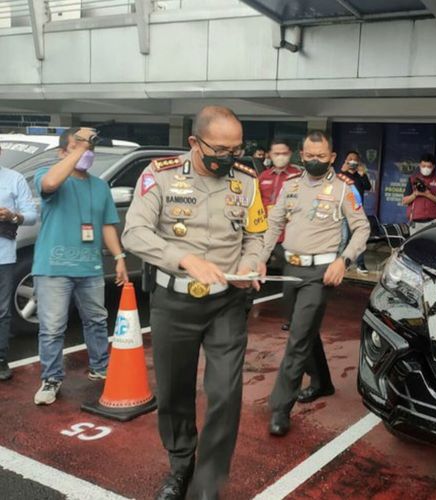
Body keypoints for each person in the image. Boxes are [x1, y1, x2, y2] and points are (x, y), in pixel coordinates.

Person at [122, 106, 267, 500]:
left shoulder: (247, 180)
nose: (229, 158)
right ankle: (181, 464)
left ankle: (208, 482)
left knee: (225, 392)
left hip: (227, 302)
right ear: (194, 142)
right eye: (220, 150)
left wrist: (251, 262)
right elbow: (134, 233)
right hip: (174, 302)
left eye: (236, 150)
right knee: (174, 392)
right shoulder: (160, 175)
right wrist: (184, 259)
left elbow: (255, 235)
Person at [258, 130, 370, 437]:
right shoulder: (291, 185)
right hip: (290, 268)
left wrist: (343, 260)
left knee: (297, 339)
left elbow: (361, 228)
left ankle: (280, 407)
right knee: (303, 329)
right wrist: (261, 257)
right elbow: (274, 223)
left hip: (320, 273)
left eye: (321, 156)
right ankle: (322, 382)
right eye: (309, 156)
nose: (315, 161)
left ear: (332, 157)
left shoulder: (344, 188)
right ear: (302, 156)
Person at [32, 127, 129, 405]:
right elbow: (50, 184)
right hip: (53, 269)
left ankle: (101, 366)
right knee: (52, 327)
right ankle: (51, 378)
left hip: (90, 268)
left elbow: (107, 224)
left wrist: (119, 258)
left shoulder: (100, 186)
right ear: (63, 152)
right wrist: (78, 149)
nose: (87, 151)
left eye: (90, 147)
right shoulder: (48, 175)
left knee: (97, 320)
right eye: (78, 146)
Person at [0, 146, 38, 381]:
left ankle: (1, 359)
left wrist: (12, 216)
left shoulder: (14, 179)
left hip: (3, 256)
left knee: (2, 311)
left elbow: (31, 215)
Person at [258, 138, 301, 331]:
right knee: (252, 270)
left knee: (290, 277)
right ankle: (242, 312)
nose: (280, 157)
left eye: (283, 153)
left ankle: (292, 318)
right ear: (270, 155)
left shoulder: (298, 176)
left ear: (290, 154)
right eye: (276, 153)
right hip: (264, 234)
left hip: (288, 236)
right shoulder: (263, 177)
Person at [339, 151, 372, 275]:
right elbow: (335, 187)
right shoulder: (341, 175)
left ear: (358, 162)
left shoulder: (360, 175)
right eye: (350, 159)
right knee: (344, 239)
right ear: (346, 161)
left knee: (359, 239)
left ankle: (360, 264)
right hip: (343, 213)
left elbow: (368, 187)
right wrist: (342, 172)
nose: (352, 161)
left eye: (355, 159)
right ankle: (342, 263)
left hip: (357, 212)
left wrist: (363, 174)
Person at [402, 153, 436, 233]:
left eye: (429, 166)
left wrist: (428, 195)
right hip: (415, 222)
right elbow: (404, 201)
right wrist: (415, 194)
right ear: (419, 165)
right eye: (423, 166)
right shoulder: (412, 179)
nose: (426, 168)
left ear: (433, 167)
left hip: (433, 222)